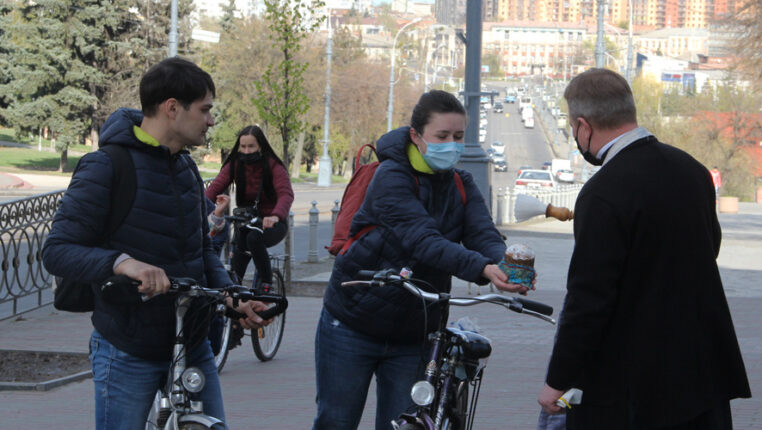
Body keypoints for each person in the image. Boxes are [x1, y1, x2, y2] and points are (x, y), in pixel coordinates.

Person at [42, 57, 270, 430]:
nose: (211, 121)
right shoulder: (106, 165)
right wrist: (123, 263)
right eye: (205, 110)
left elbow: (200, 250)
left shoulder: (185, 167)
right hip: (129, 345)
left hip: (192, 339)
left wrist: (231, 295)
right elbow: (57, 250)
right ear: (172, 108)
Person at [537, 69, 751, 429]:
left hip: (634, 386)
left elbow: (589, 298)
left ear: (583, 126)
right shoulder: (692, 170)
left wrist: (557, 381)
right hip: (702, 372)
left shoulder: (603, 192)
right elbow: (707, 248)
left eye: (573, 129)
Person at [313, 90, 528, 430]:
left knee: (403, 424)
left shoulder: (461, 182)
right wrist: (481, 268)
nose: (452, 145)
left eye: (459, 137)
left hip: (416, 331)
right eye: (442, 136)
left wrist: (503, 264)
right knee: (336, 421)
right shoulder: (391, 177)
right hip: (353, 321)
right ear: (416, 135)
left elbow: (482, 233)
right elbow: (423, 240)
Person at [205, 125, 293, 291]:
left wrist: (275, 216)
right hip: (244, 222)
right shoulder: (236, 164)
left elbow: (285, 194)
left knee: (254, 237)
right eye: (243, 146)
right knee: (235, 275)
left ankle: (267, 282)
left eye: (251, 146)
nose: (246, 151)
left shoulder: (273, 166)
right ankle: (236, 309)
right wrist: (198, 206)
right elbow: (214, 188)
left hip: (272, 224)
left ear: (261, 145)